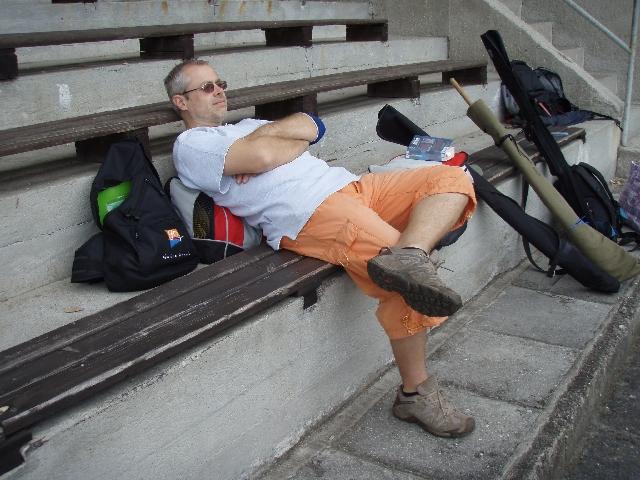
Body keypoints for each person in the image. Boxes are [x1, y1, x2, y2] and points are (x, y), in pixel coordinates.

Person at [164, 59, 478, 438]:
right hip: (311, 213)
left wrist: (267, 137)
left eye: (220, 83)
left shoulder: (245, 127)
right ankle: (416, 394)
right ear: (181, 101)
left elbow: (314, 126)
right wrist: (275, 145)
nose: (219, 91)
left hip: (353, 186)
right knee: (405, 282)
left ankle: (412, 251)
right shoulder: (192, 145)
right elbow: (265, 156)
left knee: (450, 177)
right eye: (207, 87)